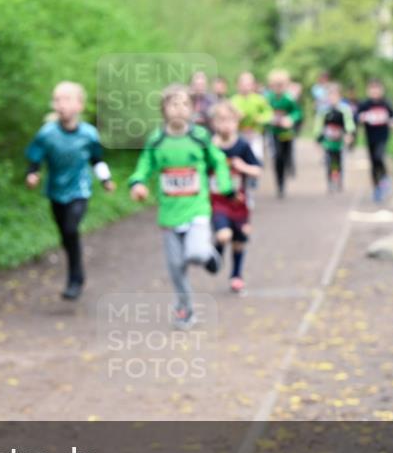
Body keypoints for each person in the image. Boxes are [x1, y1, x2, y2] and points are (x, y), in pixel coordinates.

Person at [128, 84, 233, 328]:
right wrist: (138, 183)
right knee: (176, 267)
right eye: (173, 104)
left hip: (196, 208)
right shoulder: (158, 139)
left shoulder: (200, 136)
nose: (179, 109)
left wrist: (225, 185)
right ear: (163, 109)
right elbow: (144, 165)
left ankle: (209, 256)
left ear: (192, 109)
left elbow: (217, 161)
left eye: (184, 104)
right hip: (169, 213)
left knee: (194, 253)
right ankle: (185, 309)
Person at [25, 82, 114, 300]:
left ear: (79, 105)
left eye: (66, 99)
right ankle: (75, 269)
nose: (61, 104)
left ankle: (76, 278)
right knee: (66, 234)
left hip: (79, 190)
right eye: (57, 100)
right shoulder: (47, 134)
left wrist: (106, 179)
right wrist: (32, 174)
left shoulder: (89, 134)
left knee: (71, 228)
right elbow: (36, 157)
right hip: (56, 192)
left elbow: (97, 159)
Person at [208, 101, 262, 294]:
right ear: (214, 123)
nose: (226, 125)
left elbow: (257, 170)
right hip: (217, 202)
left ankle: (236, 276)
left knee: (240, 240)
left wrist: (243, 167)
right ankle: (217, 255)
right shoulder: (209, 148)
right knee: (224, 235)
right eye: (221, 120)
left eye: (230, 120)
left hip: (240, 202)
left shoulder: (242, 145)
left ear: (237, 123)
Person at [355, 79, 393, 202]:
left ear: (381, 91)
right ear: (368, 91)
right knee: (373, 162)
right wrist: (360, 118)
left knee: (379, 156)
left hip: (383, 136)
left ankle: (385, 179)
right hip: (370, 137)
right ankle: (376, 188)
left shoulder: (386, 104)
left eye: (377, 89)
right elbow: (356, 117)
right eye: (372, 90)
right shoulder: (365, 104)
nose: (374, 92)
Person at [264, 69, 302, 198]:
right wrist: (269, 119)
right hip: (274, 132)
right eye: (276, 85)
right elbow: (264, 112)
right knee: (277, 157)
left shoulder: (289, 99)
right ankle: (279, 184)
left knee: (287, 156)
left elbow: (297, 113)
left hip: (287, 133)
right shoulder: (268, 98)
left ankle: (287, 173)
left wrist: (290, 119)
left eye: (281, 84)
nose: (278, 87)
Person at [313, 83, 356, 193]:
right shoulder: (323, 110)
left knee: (338, 161)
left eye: (335, 95)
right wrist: (318, 138)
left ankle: (339, 179)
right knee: (328, 161)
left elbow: (349, 123)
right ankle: (330, 182)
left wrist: (349, 134)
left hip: (340, 141)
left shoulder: (344, 109)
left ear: (340, 96)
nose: (332, 98)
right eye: (330, 95)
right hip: (328, 141)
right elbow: (318, 124)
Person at [229, 71, 271, 162]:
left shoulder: (259, 99)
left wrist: (260, 118)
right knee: (239, 158)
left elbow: (268, 113)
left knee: (256, 157)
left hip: (255, 134)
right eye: (243, 84)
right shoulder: (234, 100)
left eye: (248, 84)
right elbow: (228, 116)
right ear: (238, 85)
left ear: (253, 85)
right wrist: (236, 117)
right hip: (239, 134)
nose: (245, 87)